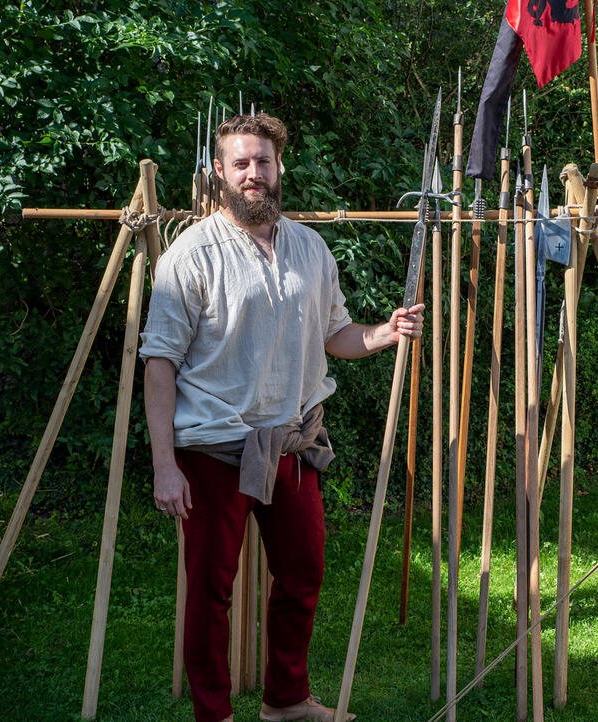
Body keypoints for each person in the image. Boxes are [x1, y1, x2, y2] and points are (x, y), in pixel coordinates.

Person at [139, 113, 423, 722]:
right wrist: (165, 464)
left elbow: (336, 333)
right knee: (210, 593)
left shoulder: (309, 248)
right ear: (219, 173)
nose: (253, 175)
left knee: (303, 573)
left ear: (278, 167)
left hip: (292, 441)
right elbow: (159, 364)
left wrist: (383, 334)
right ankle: (214, 714)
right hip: (214, 448)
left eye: (262, 162)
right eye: (240, 164)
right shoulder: (189, 255)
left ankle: (285, 700)